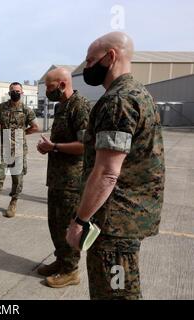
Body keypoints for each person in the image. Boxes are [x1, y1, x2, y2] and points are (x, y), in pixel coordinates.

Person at [66, 31, 165, 300]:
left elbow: (108, 172)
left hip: (114, 225)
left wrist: (79, 221)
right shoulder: (140, 94)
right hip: (126, 219)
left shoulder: (118, 101)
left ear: (110, 57)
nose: (86, 67)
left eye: (90, 60)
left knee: (116, 293)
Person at [36, 67, 91, 287]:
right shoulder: (61, 107)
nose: (47, 92)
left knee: (68, 227)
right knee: (55, 225)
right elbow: (60, 143)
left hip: (72, 181)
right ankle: (61, 261)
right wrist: (50, 147)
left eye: (49, 87)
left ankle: (71, 271)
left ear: (61, 84)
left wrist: (55, 146)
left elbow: (85, 145)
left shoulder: (80, 106)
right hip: (57, 179)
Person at [0, 82, 39, 221]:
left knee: (17, 178)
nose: (15, 93)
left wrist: (22, 133)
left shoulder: (26, 110)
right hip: (3, 149)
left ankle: (13, 202)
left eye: (17, 91)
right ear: (9, 92)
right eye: (12, 91)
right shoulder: (2, 108)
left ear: (22, 93)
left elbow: (35, 127)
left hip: (19, 150)